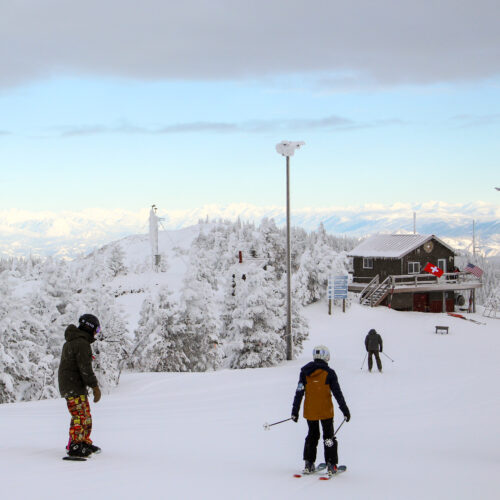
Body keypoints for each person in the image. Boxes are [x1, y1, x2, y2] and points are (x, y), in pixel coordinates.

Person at [291, 345, 350, 476]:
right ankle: (331, 464)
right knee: (329, 437)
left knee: (312, 436)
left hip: (310, 411)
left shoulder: (305, 372)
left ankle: (309, 463)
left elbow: (299, 392)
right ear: (325, 357)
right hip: (325, 411)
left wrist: (295, 411)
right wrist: (345, 410)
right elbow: (337, 393)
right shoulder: (329, 373)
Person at [58, 314, 102, 458]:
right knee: (79, 415)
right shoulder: (81, 344)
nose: (96, 332)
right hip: (73, 386)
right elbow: (85, 368)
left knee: (86, 416)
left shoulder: (76, 342)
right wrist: (95, 386)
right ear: (89, 327)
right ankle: (75, 445)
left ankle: (83, 441)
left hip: (75, 385)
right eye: (97, 329)